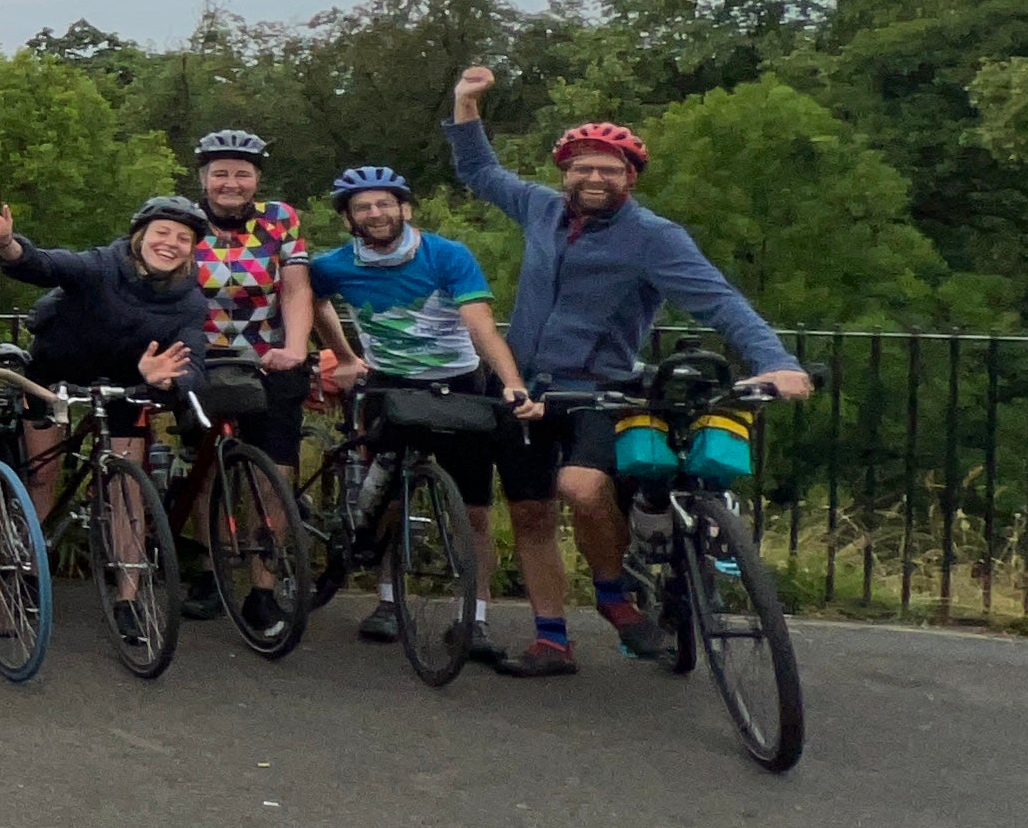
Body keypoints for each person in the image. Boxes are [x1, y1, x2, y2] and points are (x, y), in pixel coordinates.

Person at [447, 67, 814, 669]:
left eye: (609, 169)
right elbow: (479, 172)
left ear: (630, 178)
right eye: (582, 167)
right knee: (531, 511)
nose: (594, 177)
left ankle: (614, 597)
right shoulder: (541, 210)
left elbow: (720, 301)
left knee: (581, 488)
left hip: (598, 390)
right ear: (564, 173)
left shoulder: (654, 237)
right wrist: (465, 103)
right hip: (520, 387)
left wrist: (774, 361)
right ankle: (552, 639)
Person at [306, 165, 544, 658]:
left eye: (385, 204)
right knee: (389, 498)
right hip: (389, 385)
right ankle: (389, 601)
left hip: (458, 383)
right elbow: (312, 300)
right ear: (349, 219)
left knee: (475, 512)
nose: (375, 213)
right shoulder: (332, 265)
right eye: (363, 207)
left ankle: (473, 620)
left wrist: (512, 383)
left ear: (405, 208)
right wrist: (346, 355)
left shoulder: (447, 256)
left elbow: (480, 327)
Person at [0, 191, 206, 505]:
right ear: (140, 236)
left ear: (192, 250)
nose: (171, 243)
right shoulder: (102, 265)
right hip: (54, 373)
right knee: (41, 476)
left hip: (123, 385)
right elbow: (47, 266)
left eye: (183, 238)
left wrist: (167, 380)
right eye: (162, 232)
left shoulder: (191, 303)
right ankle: (33, 551)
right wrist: (9, 246)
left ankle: (128, 557)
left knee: (125, 487)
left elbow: (193, 362)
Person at [174, 127, 315, 619]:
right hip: (201, 356)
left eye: (241, 174)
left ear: (257, 179)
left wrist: (295, 348)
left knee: (273, 469)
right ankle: (213, 572)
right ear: (203, 179)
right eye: (220, 174)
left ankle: (264, 586)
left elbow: (296, 289)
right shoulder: (184, 220)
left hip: (267, 355)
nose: (230, 183)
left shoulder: (281, 220)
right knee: (206, 466)